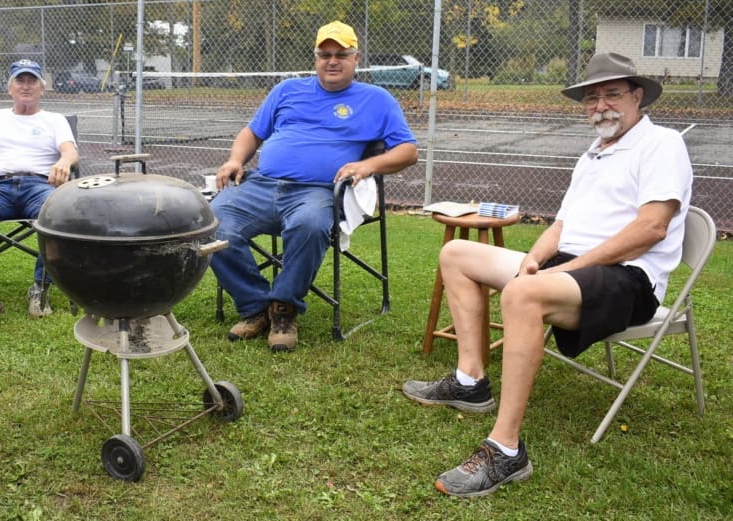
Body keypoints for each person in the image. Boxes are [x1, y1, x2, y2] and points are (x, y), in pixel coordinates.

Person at [402, 52, 693, 497]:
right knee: (457, 253)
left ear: (637, 96)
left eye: (612, 94)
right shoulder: (593, 154)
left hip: (627, 279)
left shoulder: (662, 144)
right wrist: (532, 261)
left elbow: (651, 229)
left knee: (522, 295)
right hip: (572, 268)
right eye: (592, 98)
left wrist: (562, 270)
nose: (601, 105)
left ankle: (506, 450)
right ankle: (470, 381)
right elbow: (562, 226)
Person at [210, 20, 418, 353]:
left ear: (356, 58)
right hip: (262, 185)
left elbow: (408, 151)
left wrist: (367, 165)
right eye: (325, 54)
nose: (332, 61)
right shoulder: (287, 90)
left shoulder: (377, 99)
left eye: (341, 54)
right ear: (316, 58)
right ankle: (255, 306)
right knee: (211, 223)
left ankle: (283, 310)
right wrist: (235, 160)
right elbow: (252, 132)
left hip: (317, 191)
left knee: (309, 224)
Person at [0, 59, 78, 319]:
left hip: (39, 186)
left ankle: (40, 288)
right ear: (10, 88)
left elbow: (70, 151)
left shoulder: (54, 120)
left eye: (32, 81)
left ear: (42, 88)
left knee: (57, 214)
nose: (26, 86)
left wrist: (64, 162)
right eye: (20, 80)